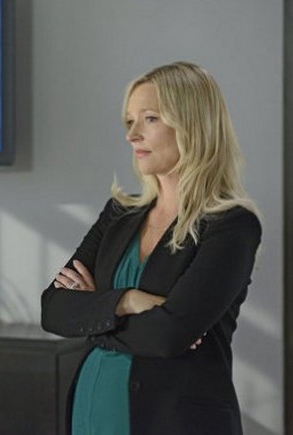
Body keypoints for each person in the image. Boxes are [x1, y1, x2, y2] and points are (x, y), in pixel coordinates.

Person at [41, 62, 261, 434]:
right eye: (129, 121)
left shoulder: (231, 224)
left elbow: (169, 335)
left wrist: (95, 310)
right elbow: (54, 309)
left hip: (174, 421)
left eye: (150, 119)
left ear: (192, 124)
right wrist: (127, 300)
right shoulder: (118, 214)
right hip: (92, 415)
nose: (132, 135)